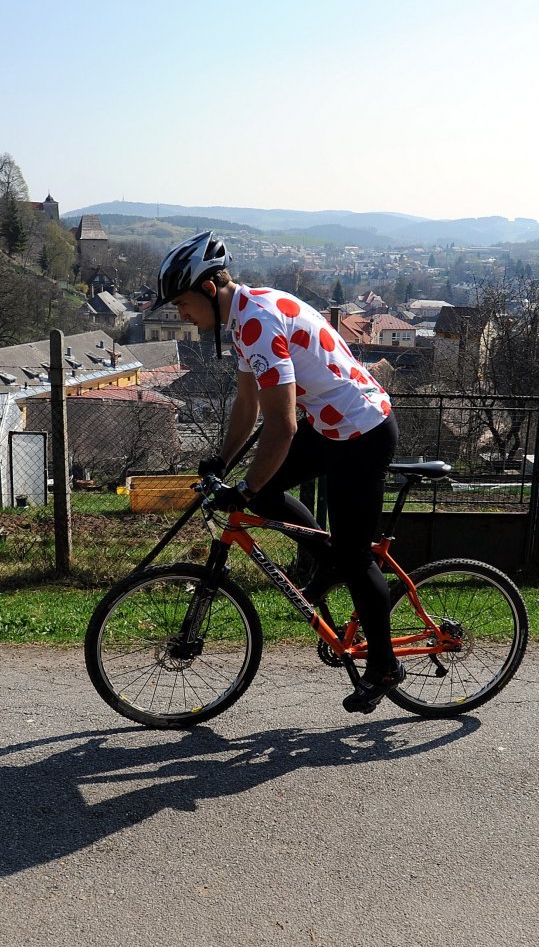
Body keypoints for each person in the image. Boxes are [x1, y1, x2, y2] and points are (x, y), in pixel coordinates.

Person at [153, 231, 402, 714]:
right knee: (263, 494)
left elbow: (282, 425)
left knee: (355, 559)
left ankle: (385, 665)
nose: (179, 313)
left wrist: (244, 487)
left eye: (182, 302)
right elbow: (247, 404)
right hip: (330, 427)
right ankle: (323, 558)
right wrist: (222, 464)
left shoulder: (257, 322)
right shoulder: (244, 315)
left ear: (208, 289)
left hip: (362, 433)